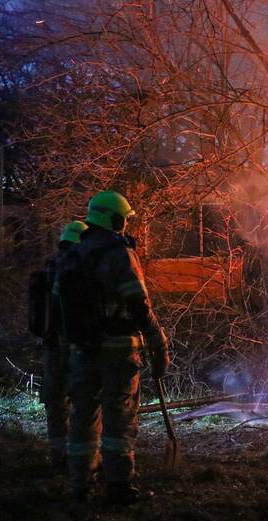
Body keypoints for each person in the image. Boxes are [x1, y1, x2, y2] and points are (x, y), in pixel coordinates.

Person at [60, 191, 170, 504]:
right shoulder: (118, 253)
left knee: (83, 417)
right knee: (119, 419)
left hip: (84, 350)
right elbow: (138, 300)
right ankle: (119, 485)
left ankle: (80, 483)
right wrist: (156, 337)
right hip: (119, 350)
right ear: (115, 218)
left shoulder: (75, 253)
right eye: (124, 219)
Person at [41, 221, 86, 469]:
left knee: (55, 399)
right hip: (73, 344)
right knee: (82, 398)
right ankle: (80, 456)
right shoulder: (77, 269)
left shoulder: (50, 269)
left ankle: (58, 454)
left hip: (50, 344)